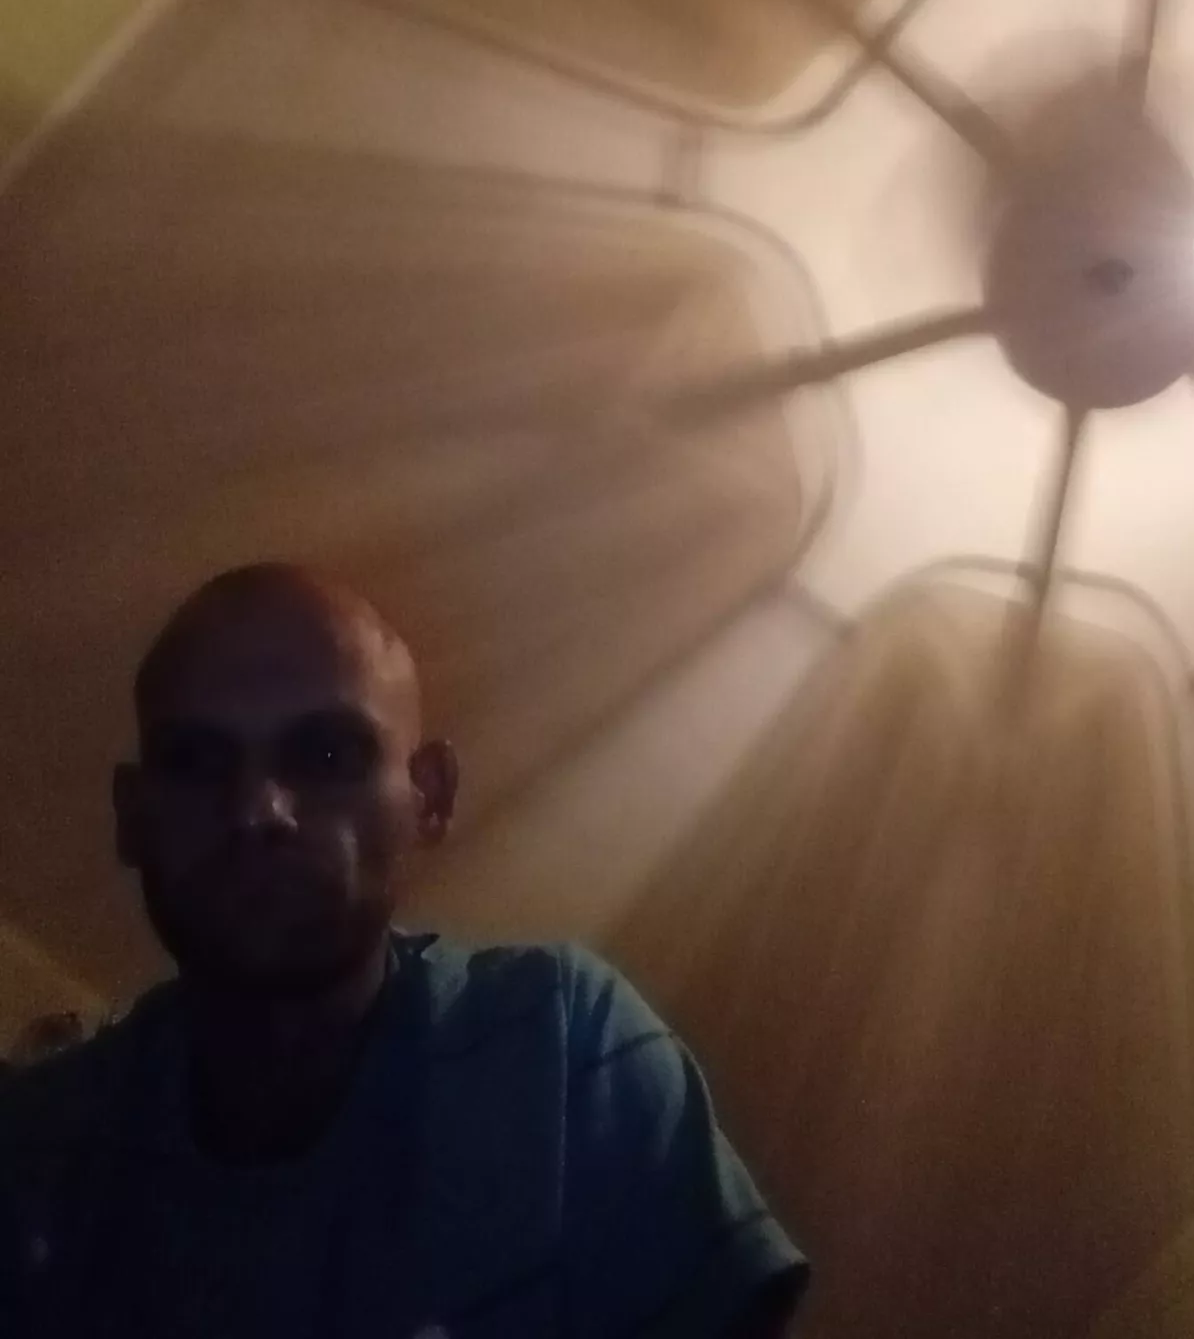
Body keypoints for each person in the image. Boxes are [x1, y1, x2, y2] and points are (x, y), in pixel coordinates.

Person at [0, 564, 807, 1337]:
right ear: (132, 815)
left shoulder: (567, 1049)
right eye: (197, 760)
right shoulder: (32, 1147)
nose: (258, 809)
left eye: (326, 754)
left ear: (431, 795)